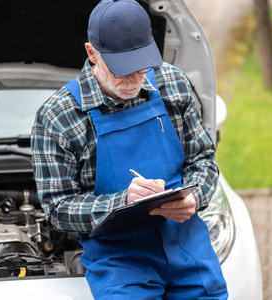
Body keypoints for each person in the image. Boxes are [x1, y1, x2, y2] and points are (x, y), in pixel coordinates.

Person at [31, 0, 228, 299]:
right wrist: (122, 201)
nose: (136, 78)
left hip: (187, 242)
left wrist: (196, 196)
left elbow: (202, 159)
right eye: (123, 69)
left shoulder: (173, 84)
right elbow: (58, 208)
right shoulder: (58, 116)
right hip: (119, 258)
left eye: (142, 65)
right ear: (91, 52)